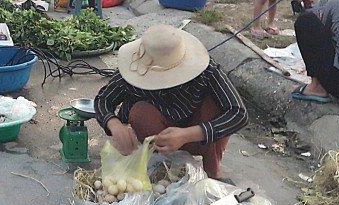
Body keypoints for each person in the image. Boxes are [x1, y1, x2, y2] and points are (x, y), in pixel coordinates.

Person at [94, 25, 248, 180]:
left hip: (196, 137)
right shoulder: (133, 68)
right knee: (141, 113)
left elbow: (238, 113)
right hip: (156, 139)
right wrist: (114, 124)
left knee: (215, 105)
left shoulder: (206, 72)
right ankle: (159, 167)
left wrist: (186, 135)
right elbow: (103, 100)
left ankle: (212, 170)